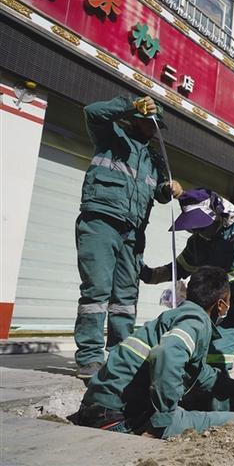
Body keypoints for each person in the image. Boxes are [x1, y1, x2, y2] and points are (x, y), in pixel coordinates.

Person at [140, 188, 234, 424]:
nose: (198, 232)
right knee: (215, 362)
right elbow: (177, 269)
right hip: (227, 313)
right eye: (193, 228)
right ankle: (226, 419)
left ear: (217, 214)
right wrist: (147, 274)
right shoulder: (196, 245)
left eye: (201, 226)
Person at [69, 266, 234, 438]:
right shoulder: (197, 322)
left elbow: (201, 374)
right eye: (228, 301)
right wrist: (162, 421)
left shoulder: (175, 316)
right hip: (119, 419)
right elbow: (167, 354)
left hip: (93, 410)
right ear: (221, 304)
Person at [74, 95, 183, 380]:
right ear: (137, 119)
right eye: (151, 123)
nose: (154, 130)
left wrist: (168, 188)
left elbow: (158, 194)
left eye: (157, 126)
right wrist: (129, 104)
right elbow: (92, 110)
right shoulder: (111, 137)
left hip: (134, 231)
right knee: (96, 291)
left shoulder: (154, 159)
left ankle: (120, 355)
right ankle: (90, 357)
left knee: (125, 296)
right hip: (101, 221)